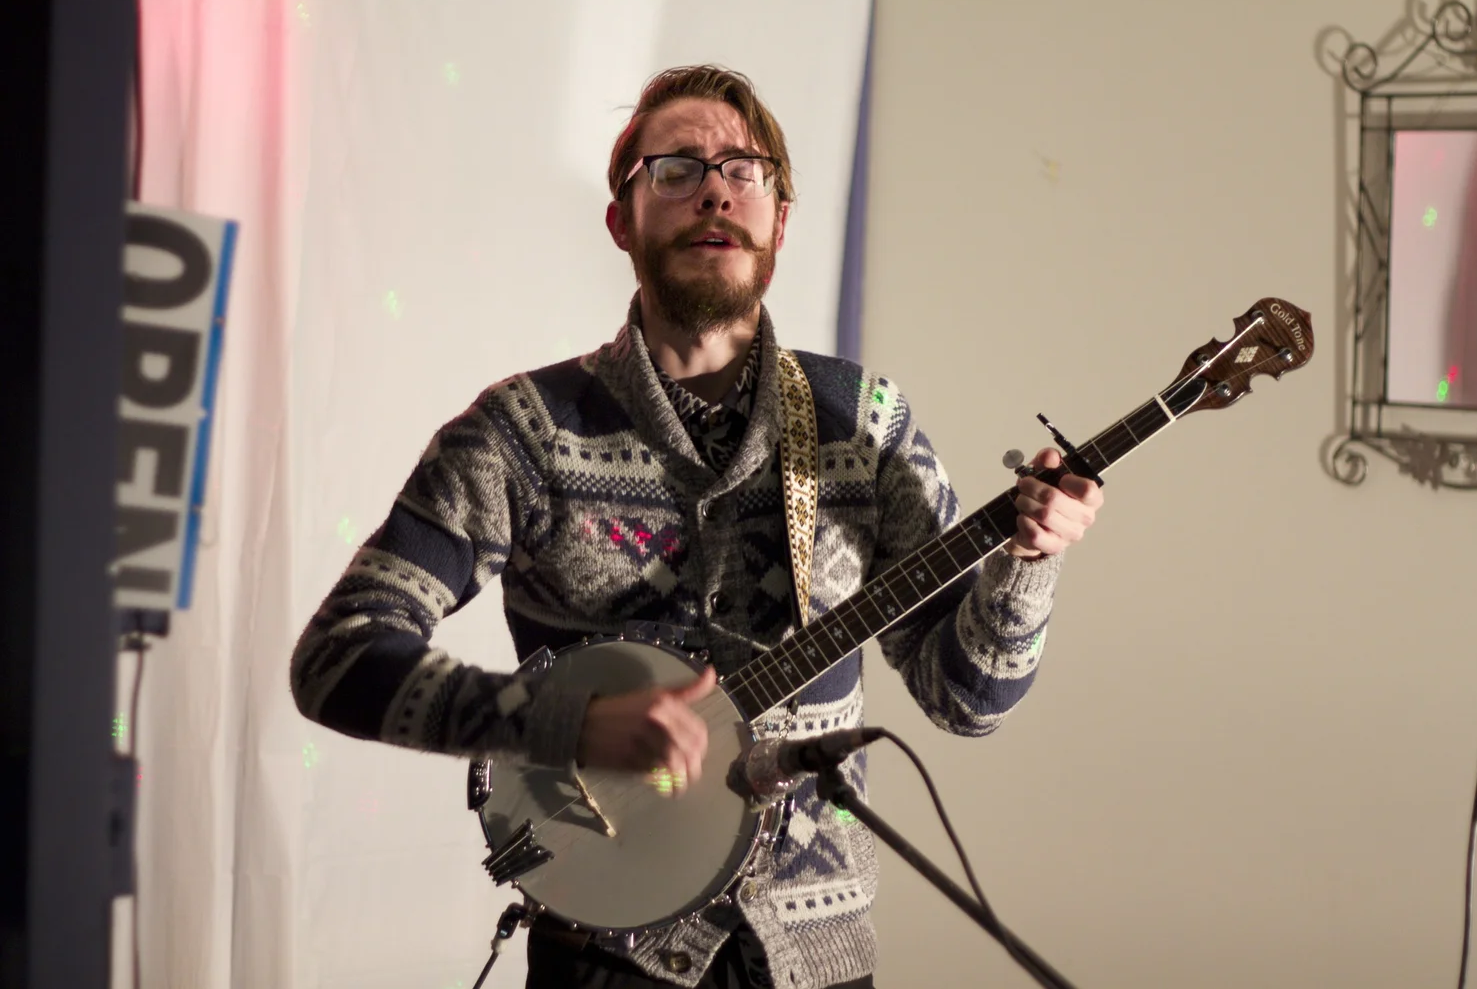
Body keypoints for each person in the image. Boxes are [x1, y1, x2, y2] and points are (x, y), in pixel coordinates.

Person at [290, 65, 1103, 989]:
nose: (714, 188)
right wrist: (569, 723)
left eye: (742, 170)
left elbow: (969, 703)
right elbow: (338, 659)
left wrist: (1030, 563)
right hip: (598, 951)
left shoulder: (864, 423)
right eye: (674, 169)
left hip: (814, 959)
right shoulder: (525, 431)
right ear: (620, 221)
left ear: (780, 224)